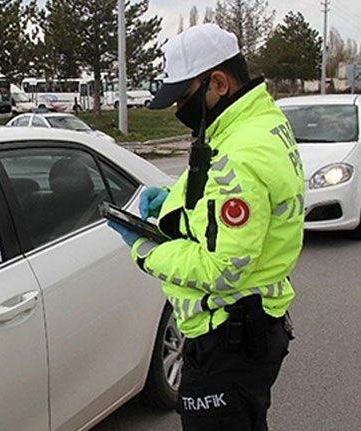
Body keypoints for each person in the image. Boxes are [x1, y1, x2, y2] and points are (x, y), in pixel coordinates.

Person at [108, 24, 303, 430]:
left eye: (184, 97)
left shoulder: (241, 154)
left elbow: (222, 268)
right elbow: (217, 191)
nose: (180, 109)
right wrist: (176, 203)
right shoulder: (254, 123)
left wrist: (146, 250)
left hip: (228, 342)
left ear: (218, 82)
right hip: (248, 330)